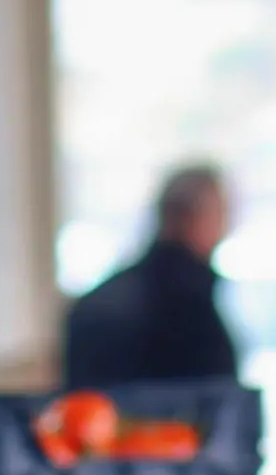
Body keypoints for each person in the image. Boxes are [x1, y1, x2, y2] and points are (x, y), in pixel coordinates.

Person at [63, 164, 239, 387]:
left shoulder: (98, 299)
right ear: (189, 217)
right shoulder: (188, 304)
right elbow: (219, 398)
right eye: (222, 213)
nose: (226, 227)